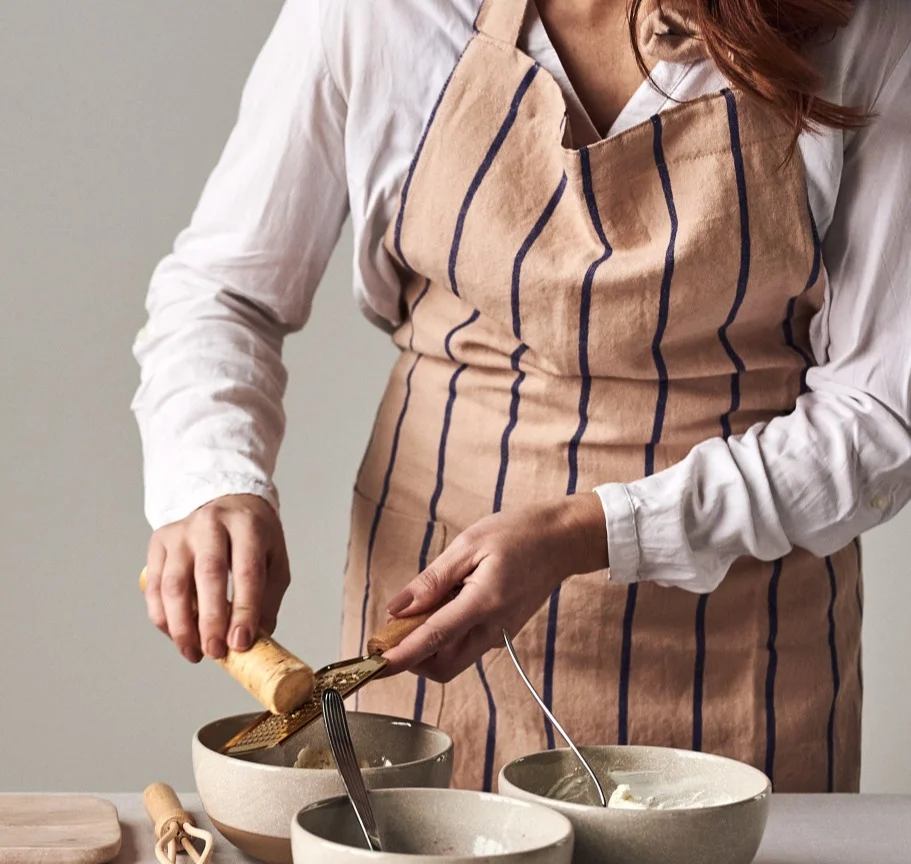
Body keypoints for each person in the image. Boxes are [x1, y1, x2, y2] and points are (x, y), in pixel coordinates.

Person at [134, 0, 911, 792]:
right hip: (425, 632)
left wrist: (591, 530)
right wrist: (211, 478)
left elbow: (880, 414)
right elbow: (227, 291)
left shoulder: (862, 24)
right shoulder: (377, 12)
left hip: (738, 652)